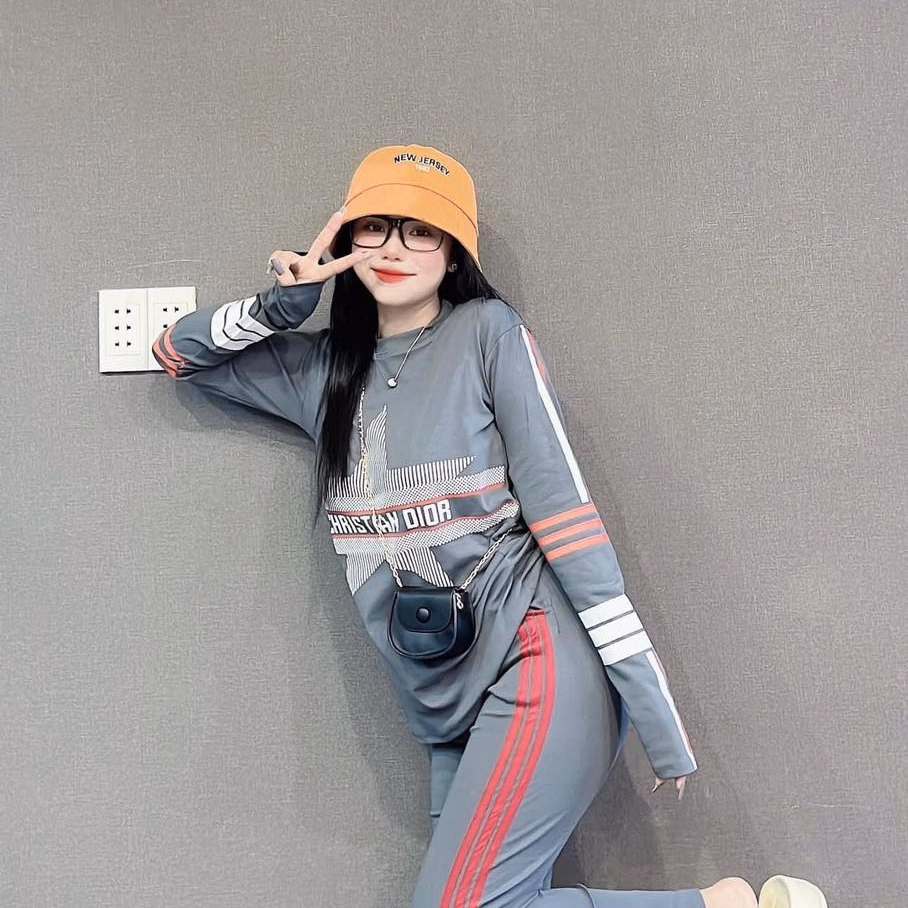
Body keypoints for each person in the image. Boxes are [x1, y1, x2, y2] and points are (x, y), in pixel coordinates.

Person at [152, 144, 827, 908]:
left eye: (421, 231)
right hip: (440, 696)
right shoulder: (320, 373)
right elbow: (178, 353)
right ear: (347, 240)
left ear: (454, 252)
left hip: (535, 658)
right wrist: (282, 307)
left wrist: (651, 706)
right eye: (374, 227)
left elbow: (565, 513)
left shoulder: (487, 334)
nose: (394, 249)